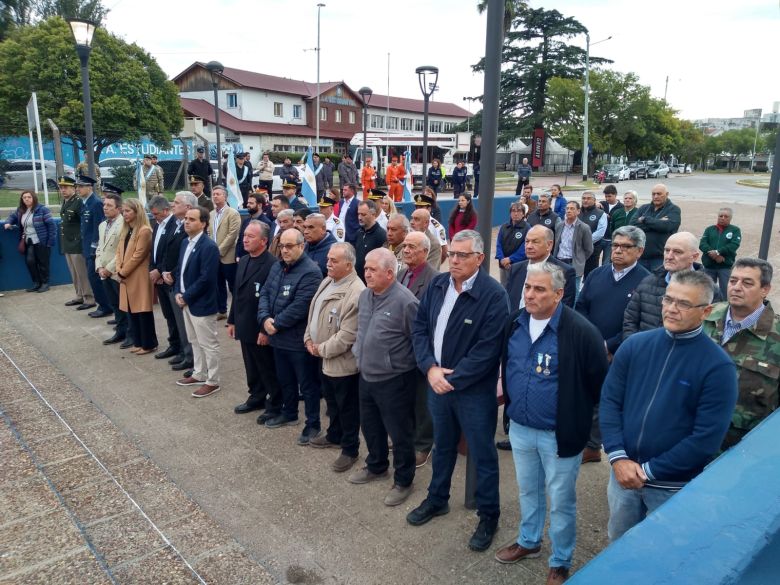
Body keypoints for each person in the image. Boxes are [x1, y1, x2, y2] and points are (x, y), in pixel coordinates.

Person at [600, 270, 737, 542]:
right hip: (622, 477)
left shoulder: (718, 367)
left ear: (706, 311)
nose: (672, 309)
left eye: (684, 303)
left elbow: (705, 438)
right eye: (668, 299)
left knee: (661, 557)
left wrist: (647, 471)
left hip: (671, 488)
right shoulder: (635, 346)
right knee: (619, 548)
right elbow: (610, 401)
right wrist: (617, 456)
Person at [495, 262, 608, 584]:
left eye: (539, 289)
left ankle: (560, 560)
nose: (530, 294)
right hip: (520, 429)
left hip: (559, 437)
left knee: (560, 502)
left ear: (559, 294)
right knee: (528, 491)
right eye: (528, 287)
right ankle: (529, 541)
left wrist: (585, 427)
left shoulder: (582, 333)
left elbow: (599, 386)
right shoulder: (514, 323)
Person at [407, 231, 509, 552]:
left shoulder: (494, 295)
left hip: (473, 392)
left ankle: (489, 514)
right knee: (444, 446)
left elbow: (488, 349)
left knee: (482, 454)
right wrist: (430, 368)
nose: (455, 261)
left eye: (463, 256)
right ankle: (438, 499)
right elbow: (420, 327)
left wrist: (451, 378)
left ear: (480, 258)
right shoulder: (438, 285)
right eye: (452, 254)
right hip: (437, 382)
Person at [575, 226, 650, 464]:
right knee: (583, 394)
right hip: (590, 348)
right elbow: (581, 306)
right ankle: (581, 438)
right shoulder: (597, 274)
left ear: (639, 251)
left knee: (604, 400)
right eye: (615, 245)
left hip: (617, 354)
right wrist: (592, 341)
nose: (617, 251)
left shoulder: (646, 281)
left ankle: (593, 446)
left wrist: (609, 346)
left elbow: (640, 323)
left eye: (625, 247)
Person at [352, 248, 420, 506]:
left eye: (372, 269)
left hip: (395, 379)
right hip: (366, 374)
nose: (366, 273)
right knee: (370, 426)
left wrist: (399, 365)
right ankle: (377, 465)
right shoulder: (366, 296)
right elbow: (361, 330)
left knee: (400, 432)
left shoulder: (406, 302)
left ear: (390, 274)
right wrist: (359, 355)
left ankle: (404, 480)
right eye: (366, 268)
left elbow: (418, 340)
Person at [702, 258, 780, 450]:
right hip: (687, 436)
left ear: (765, 289)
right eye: (733, 280)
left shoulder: (776, 336)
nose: (736, 287)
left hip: (740, 450)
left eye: (747, 283)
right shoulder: (703, 316)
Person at [257, 228, 323, 443]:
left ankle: (313, 424)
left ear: (301, 246)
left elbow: (301, 306)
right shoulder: (278, 266)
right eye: (282, 246)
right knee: (285, 380)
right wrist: (265, 318)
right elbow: (266, 292)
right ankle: (290, 413)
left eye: (289, 246)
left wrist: (275, 323)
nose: (284, 250)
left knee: (308, 385)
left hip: (297, 340)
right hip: (278, 338)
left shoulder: (311, 271)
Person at [304, 243, 365, 473]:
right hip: (322, 355)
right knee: (331, 403)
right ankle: (334, 434)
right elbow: (314, 312)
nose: (327, 263)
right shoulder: (328, 280)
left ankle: (350, 449)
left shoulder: (356, 292)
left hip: (342, 363)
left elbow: (347, 336)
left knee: (347, 407)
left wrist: (319, 349)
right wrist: (308, 339)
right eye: (328, 259)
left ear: (349, 265)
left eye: (334, 260)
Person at [228, 221, 282, 420]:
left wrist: (265, 330)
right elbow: (237, 292)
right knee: (250, 364)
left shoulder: (272, 265)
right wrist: (232, 320)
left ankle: (275, 402)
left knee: (266, 367)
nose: (245, 239)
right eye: (245, 236)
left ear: (264, 241)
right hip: (243, 322)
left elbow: (273, 301)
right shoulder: (243, 260)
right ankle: (256, 396)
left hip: (260, 326)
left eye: (250, 236)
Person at [398, 231, 438, 467]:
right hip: (402, 347)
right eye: (405, 246)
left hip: (423, 348)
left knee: (423, 400)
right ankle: (408, 435)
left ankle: (423, 444)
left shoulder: (434, 279)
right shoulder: (402, 274)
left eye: (412, 247)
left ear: (424, 251)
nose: (406, 250)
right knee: (407, 396)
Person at [174, 206, 222, 398]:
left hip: (201, 303)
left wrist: (186, 296)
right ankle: (199, 373)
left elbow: (206, 278)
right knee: (194, 340)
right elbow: (180, 270)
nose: (187, 222)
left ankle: (213, 380)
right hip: (185, 301)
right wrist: (178, 291)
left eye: (192, 219)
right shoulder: (185, 243)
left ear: (203, 223)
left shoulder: (209, 246)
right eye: (186, 218)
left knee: (208, 343)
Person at [623, 231, 705, 339]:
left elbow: (709, 332)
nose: (669, 256)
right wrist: (635, 348)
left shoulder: (707, 290)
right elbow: (630, 320)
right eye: (667, 250)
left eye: (677, 252)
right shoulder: (647, 282)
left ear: (694, 257)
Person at [115, 198, 158, 355]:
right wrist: (118, 267)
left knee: (142, 311)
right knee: (132, 311)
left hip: (138, 276)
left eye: (128, 211)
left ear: (137, 212)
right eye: (123, 211)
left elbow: (138, 255)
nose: (124, 214)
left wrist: (122, 272)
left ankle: (149, 343)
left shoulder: (144, 230)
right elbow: (119, 251)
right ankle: (138, 341)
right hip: (125, 276)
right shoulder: (127, 229)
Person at [161, 192, 197, 374]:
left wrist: (172, 273)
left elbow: (185, 259)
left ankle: (191, 357)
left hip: (181, 280)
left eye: (176, 203)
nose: (172, 205)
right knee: (177, 321)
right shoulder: (174, 224)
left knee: (187, 325)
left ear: (188, 207)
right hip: (170, 279)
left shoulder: (190, 229)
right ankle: (184, 352)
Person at [507, 226, 576, 311]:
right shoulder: (515, 268)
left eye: (535, 242)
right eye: (527, 241)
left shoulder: (564, 272)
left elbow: (564, 310)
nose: (529, 246)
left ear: (549, 244)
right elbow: (508, 302)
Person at [148, 196, 182, 362]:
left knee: (176, 316)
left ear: (166, 210)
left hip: (168, 277)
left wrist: (160, 271)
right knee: (168, 314)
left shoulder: (174, 225)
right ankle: (173, 344)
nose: (155, 217)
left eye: (157, 214)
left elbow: (171, 255)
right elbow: (153, 251)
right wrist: (152, 269)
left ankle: (181, 347)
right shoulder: (157, 225)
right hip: (157, 276)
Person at [3, 189, 56, 292]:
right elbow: (12, 217)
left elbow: (52, 226)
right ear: (22, 199)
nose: (26, 199)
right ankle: (37, 283)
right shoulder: (21, 210)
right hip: (29, 241)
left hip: (42, 241)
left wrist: (50, 242)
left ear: (33, 198)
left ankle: (45, 283)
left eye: (29, 197)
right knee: (30, 262)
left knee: (43, 263)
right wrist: (8, 222)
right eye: (24, 197)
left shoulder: (42, 210)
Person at [76, 175, 113, 317]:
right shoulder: (85, 202)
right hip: (86, 246)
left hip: (94, 249)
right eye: (77, 187)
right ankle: (103, 305)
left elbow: (99, 227)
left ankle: (105, 306)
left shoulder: (96, 203)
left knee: (94, 277)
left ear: (89, 187)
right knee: (93, 278)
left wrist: (94, 248)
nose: (78, 189)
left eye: (81, 186)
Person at [95, 190, 127, 345]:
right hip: (104, 271)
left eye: (109, 205)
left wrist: (108, 268)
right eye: (104, 205)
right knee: (114, 304)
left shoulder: (123, 224)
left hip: (115, 271)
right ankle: (120, 332)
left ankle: (129, 333)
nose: (105, 208)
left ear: (118, 208)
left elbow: (121, 250)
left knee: (123, 305)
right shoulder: (102, 225)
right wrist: (99, 267)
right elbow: (100, 248)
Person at [59, 176, 95, 309]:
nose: (63, 190)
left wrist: (81, 240)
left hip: (77, 243)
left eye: (66, 187)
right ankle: (79, 295)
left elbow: (84, 224)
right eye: (61, 188)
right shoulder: (66, 201)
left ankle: (89, 298)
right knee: (73, 272)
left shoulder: (78, 202)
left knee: (82, 273)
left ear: (73, 188)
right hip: (68, 243)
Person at [630, 183, 681, 272]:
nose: (656, 196)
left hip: (660, 258)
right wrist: (658, 222)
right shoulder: (644, 208)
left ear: (667, 194)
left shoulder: (674, 209)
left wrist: (645, 219)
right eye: (653, 194)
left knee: (657, 284)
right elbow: (632, 225)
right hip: (640, 256)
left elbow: (667, 226)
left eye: (659, 194)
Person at [209, 185, 241, 319]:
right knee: (218, 285)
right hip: (214, 256)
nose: (215, 196)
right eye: (213, 194)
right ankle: (222, 310)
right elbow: (209, 233)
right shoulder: (211, 214)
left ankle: (237, 313)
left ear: (225, 197)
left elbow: (232, 235)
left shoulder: (232, 213)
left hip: (228, 256)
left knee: (234, 286)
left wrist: (218, 251)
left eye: (218, 194)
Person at [699, 207, 742, 299]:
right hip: (709, 266)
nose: (722, 218)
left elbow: (734, 245)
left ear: (730, 218)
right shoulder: (709, 229)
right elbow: (702, 244)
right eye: (720, 216)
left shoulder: (735, 230)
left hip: (725, 266)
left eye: (726, 216)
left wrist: (718, 252)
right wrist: (714, 255)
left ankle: (725, 309)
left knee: (726, 292)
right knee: (707, 292)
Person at [554, 201, 594, 293]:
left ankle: (573, 308)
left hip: (574, 263)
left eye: (572, 209)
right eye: (567, 208)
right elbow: (557, 244)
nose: (568, 211)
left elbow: (589, 249)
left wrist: (580, 259)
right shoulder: (560, 225)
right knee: (558, 289)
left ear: (578, 211)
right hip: (559, 262)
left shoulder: (584, 227)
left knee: (574, 291)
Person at [495, 202, 529, 288]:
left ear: (523, 214)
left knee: (516, 289)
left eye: (519, 211)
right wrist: (502, 259)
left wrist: (510, 259)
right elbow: (499, 244)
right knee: (503, 287)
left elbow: (525, 248)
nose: (516, 213)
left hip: (517, 266)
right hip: (503, 264)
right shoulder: (504, 227)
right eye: (513, 211)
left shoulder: (527, 228)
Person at [354, 200, 387, 282]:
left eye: (363, 214)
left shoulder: (381, 235)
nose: (359, 218)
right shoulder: (359, 232)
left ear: (373, 214)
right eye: (358, 214)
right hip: (358, 280)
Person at [579, 191, 608, 280]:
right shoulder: (577, 212)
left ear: (594, 200)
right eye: (584, 198)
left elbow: (600, 232)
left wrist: (586, 241)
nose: (585, 200)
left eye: (588, 198)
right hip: (577, 249)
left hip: (593, 249)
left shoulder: (601, 213)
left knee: (590, 275)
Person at [236, 192, 272, 259]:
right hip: (242, 260)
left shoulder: (266, 223)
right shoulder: (246, 221)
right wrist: (237, 255)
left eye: (251, 203)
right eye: (248, 203)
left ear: (259, 205)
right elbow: (240, 240)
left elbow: (266, 244)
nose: (248, 205)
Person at [598, 184, 623, 265]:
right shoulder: (602, 204)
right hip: (599, 238)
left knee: (606, 262)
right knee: (593, 260)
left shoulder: (621, 207)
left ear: (615, 195)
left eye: (609, 196)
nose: (607, 198)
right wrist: (596, 204)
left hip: (611, 240)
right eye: (606, 196)